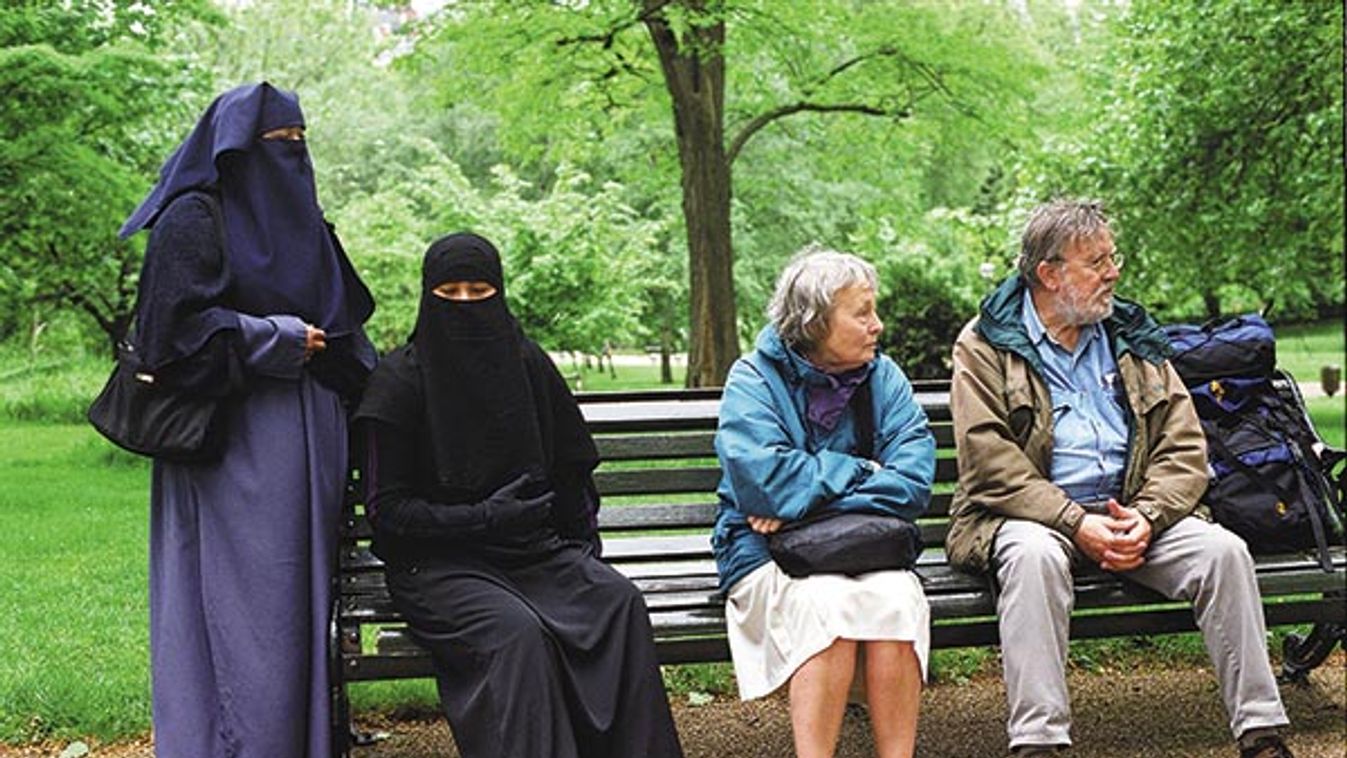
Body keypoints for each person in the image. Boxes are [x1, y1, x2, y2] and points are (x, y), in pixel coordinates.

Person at [946, 199, 1294, 758]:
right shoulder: (984, 344)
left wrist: (1149, 516)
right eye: (1097, 261)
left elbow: (1183, 446)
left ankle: (1262, 733)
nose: (1113, 272)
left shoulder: (1132, 335)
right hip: (1031, 518)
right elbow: (988, 460)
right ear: (1049, 274)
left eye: (1114, 257)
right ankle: (1039, 743)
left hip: (1131, 513)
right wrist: (1073, 520)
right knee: (1033, 558)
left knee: (1222, 551)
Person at [352, 232, 684, 758]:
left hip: (533, 554)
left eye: (479, 291)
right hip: (438, 566)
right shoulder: (400, 380)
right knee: (518, 636)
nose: (465, 304)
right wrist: (482, 517)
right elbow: (388, 512)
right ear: (426, 296)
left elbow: (571, 472)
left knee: (618, 602)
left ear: (500, 294)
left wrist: (581, 550)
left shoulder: (527, 364)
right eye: (450, 293)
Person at [118, 82, 377, 757]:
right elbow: (171, 333)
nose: (291, 155)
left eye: (299, 142)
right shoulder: (194, 218)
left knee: (297, 616)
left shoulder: (308, 223)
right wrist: (277, 339)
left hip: (310, 445)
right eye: (276, 144)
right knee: (240, 615)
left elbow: (348, 327)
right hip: (231, 447)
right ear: (233, 152)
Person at [713, 247, 935, 758]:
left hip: (867, 546)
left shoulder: (885, 377)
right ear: (814, 323)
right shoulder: (753, 379)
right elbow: (764, 486)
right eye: (862, 313)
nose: (877, 325)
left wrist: (804, 497)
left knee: (898, 601)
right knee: (826, 609)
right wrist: (862, 469)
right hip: (764, 550)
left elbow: (913, 482)